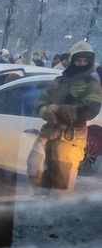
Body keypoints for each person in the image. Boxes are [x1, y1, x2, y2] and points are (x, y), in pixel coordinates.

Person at [26, 41, 102, 192]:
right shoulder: (60, 80)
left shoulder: (92, 84)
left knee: (62, 184)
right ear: (72, 60)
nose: (81, 64)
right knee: (35, 170)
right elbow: (43, 97)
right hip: (49, 132)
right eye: (78, 60)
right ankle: (39, 205)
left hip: (70, 137)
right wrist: (42, 110)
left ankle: (58, 212)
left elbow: (90, 110)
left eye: (84, 61)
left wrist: (59, 109)